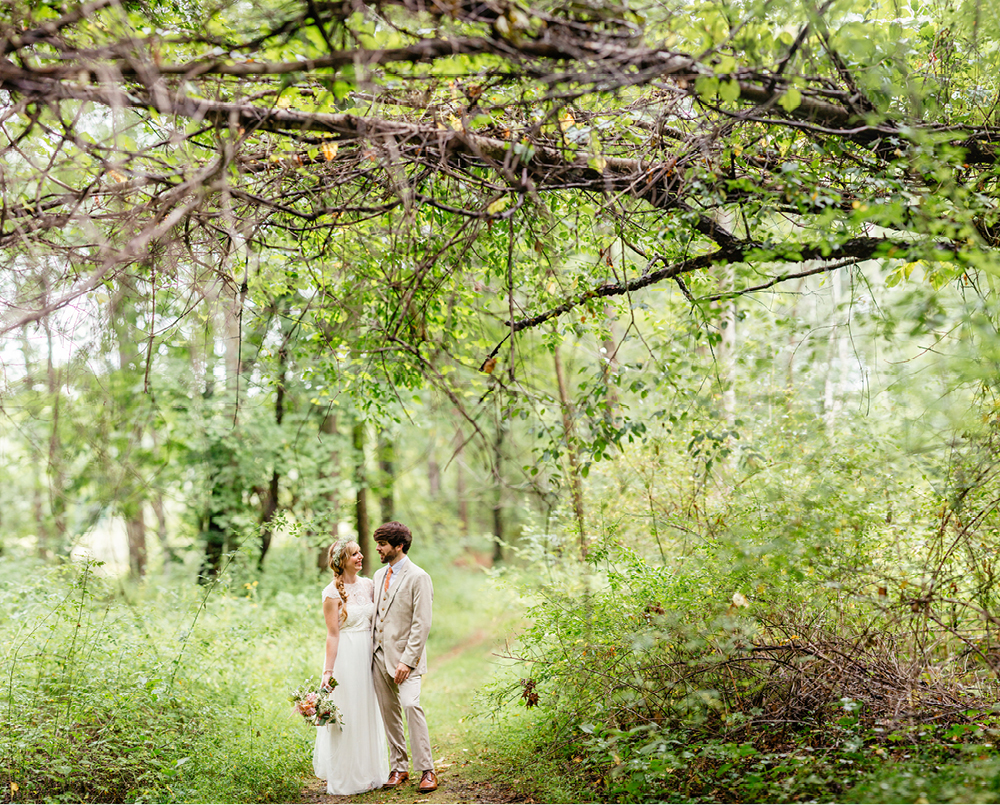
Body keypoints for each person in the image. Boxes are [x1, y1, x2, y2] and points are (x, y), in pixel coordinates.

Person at [313, 539, 390, 795]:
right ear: (341, 561)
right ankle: (346, 777)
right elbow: (332, 635)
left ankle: (369, 773)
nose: (361, 556)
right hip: (346, 657)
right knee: (349, 712)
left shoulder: (369, 585)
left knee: (368, 710)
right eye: (354, 554)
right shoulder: (331, 593)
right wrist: (328, 672)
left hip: (369, 656)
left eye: (359, 552)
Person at [371, 521, 438, 793]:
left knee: (411, 706)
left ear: (399, 546)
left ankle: (427, 770)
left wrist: (407, 661)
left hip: (406, 660)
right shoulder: (377, 575)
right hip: (377, 657)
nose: (378, 548)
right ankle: (399, 767)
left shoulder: (419, 577)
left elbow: (422, 624)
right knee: (389, 715)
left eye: (383, 544)